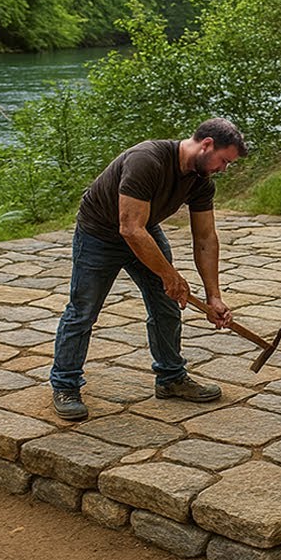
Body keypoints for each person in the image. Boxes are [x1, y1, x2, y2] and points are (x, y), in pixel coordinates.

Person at [49, 118, 247, 421]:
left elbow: (206, 238)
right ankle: (65, 385)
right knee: (83, 311)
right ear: (206, 144)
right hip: (100, 234)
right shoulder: (147, 160)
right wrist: (170, 276)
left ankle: (171, 379)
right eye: (223, 161)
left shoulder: (200, 181)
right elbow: (129, 228)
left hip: (144, 230)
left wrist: (214, 296)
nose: (223, 169)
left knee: (167, 306)